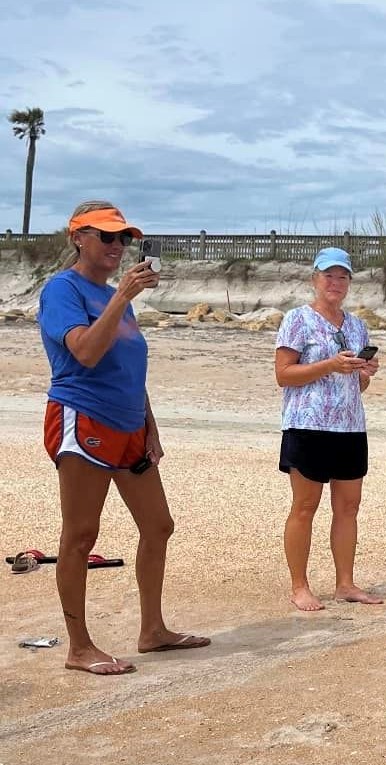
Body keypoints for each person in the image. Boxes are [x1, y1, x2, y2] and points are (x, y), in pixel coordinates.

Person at [37, 200, 210, 676]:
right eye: (106, 237)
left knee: (158, 525)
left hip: (129, 424)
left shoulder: (114, 294)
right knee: (80, 534)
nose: (117, 246)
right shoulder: (62, 290)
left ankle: (152, 630)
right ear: (78, 237)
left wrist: (149, 423)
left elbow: (130, 366)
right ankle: (79, 647)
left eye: (123, 238)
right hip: (83, 418)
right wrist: (123, 298)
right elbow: (86, 353)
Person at [275, 247, 382, 611]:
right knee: (305, 506)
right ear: (314, 279)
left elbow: (356, 386)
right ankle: (299, 585)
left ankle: (345, 583)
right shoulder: (297, 319)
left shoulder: (356, 325)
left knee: (348, 507)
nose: (335, 283)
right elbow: (283, 375)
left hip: (350, 426)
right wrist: (329, 365)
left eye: (342, 276)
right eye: (328, 275)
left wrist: (362, 374)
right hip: (307, 424)